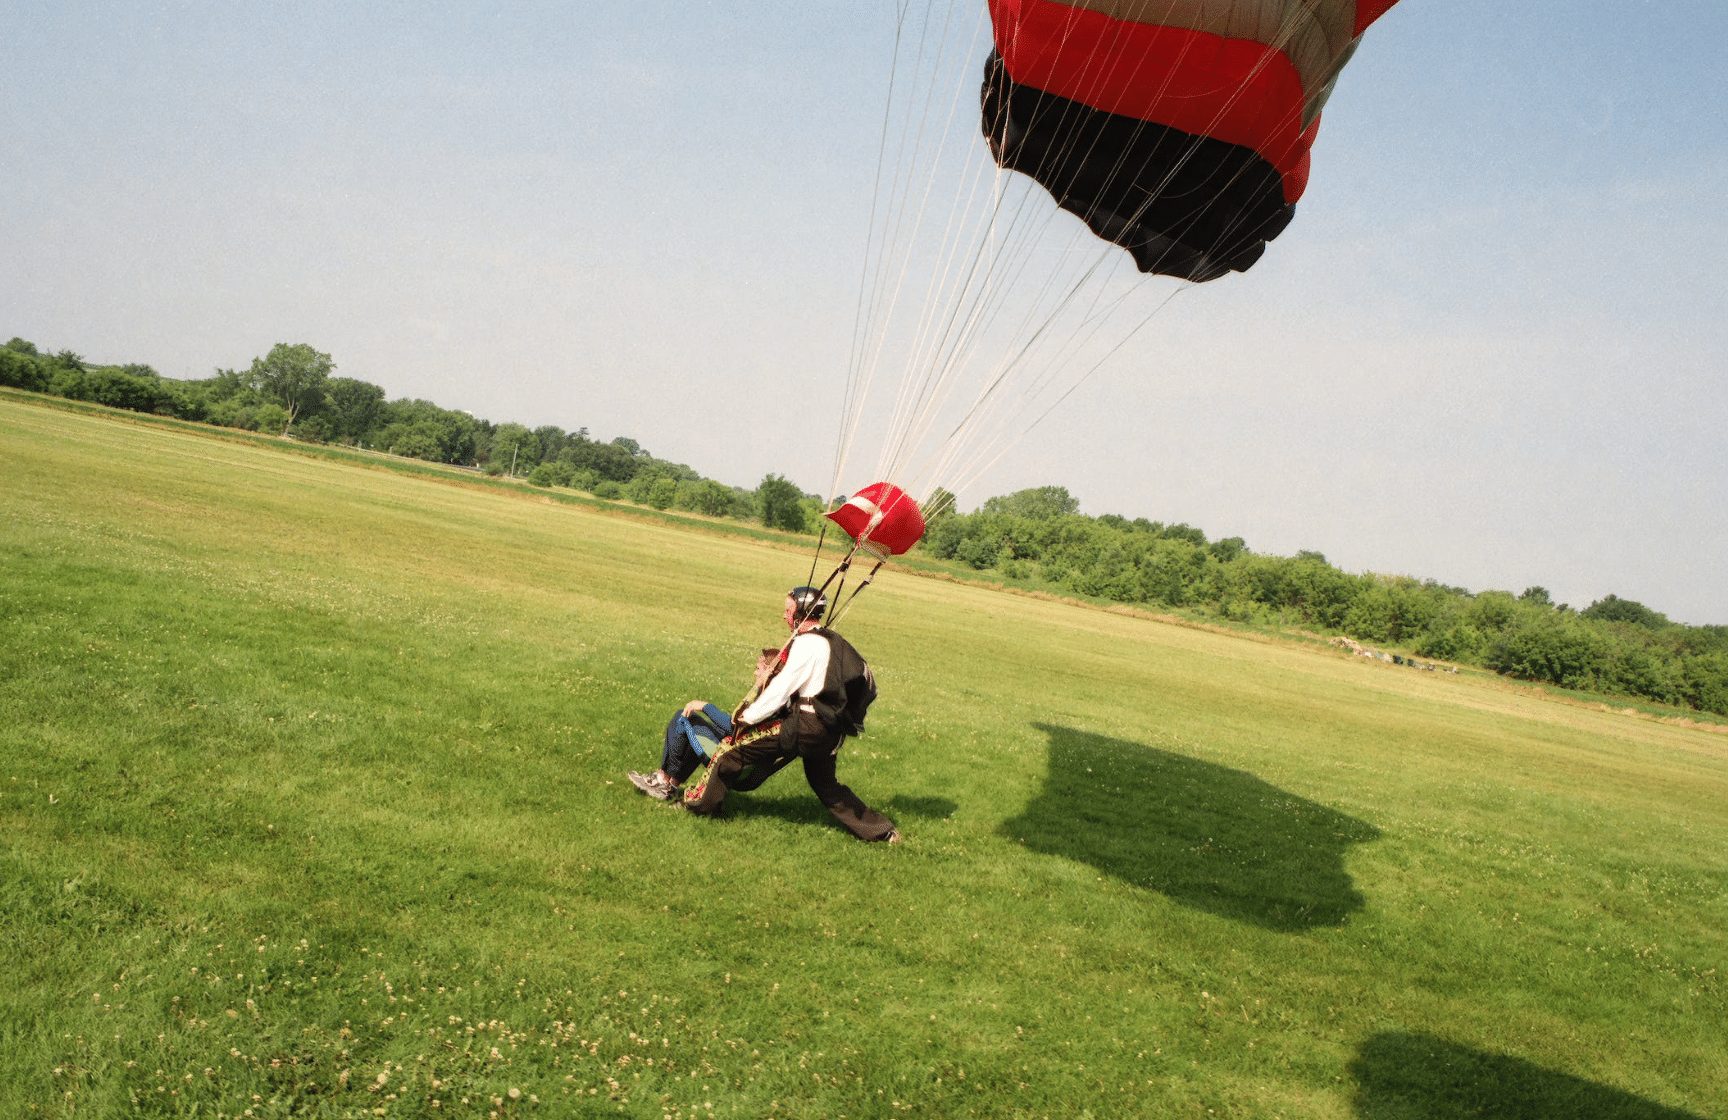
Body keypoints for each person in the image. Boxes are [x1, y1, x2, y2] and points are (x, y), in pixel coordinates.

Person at [683, 586, 899, 843]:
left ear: (801, 613)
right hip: (829, 730)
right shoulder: (832, 641)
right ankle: (882, 832)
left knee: (731, 752)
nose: (784, 616)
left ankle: (700, 807)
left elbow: (783, 688)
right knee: (826, 785)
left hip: (805, 726)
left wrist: (747, 717)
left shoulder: (806, 644)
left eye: (788, 610)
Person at [626, 650, 785, 801]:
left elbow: (733, 727)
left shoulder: (767, 702)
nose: (755, 673)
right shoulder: (777, 700)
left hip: (733, 762)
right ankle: (670, 783)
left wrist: (705, 706)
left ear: (769, 672)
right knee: (697, 726)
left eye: (758, 669)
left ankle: (663, 780)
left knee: (685, 718)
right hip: (742, 761)